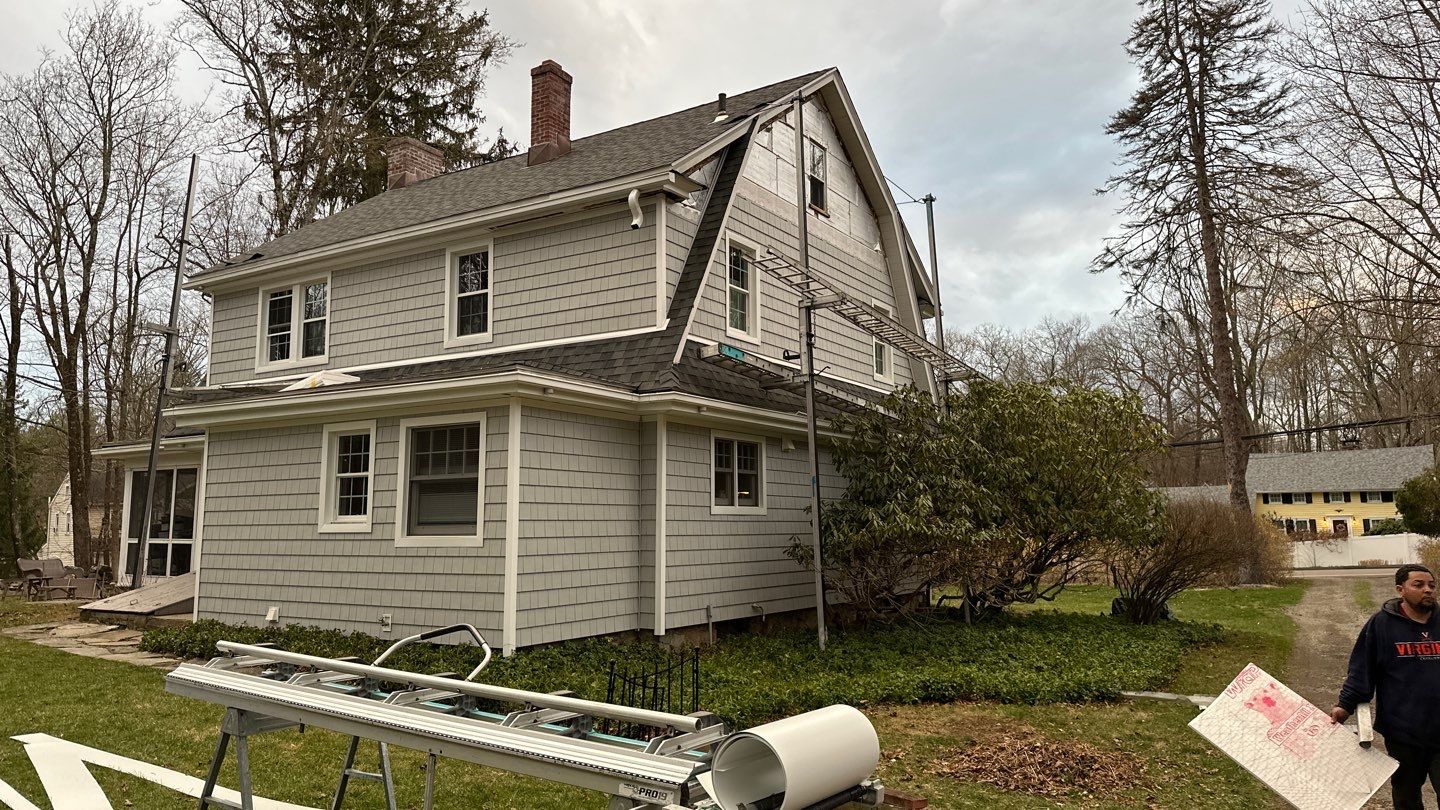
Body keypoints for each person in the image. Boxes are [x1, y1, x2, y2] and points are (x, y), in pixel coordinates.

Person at [1332, 563, 1440, 809]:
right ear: (1400, 589)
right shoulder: (1381, 625)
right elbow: (1362, 670)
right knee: (1406, 797)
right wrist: (1344, 706)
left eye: (1431, 586)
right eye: (1419, 585)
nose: (1428, 590)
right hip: (1403, 731)